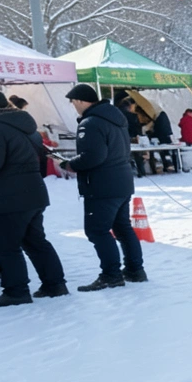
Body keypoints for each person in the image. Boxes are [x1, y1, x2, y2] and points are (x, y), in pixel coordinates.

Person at [58, 84, 146, 291]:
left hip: (101, 184)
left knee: (97, 231)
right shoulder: (115, 118)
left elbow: (94, 156)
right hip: (122, 181)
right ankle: (135, 269)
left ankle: (111, 274)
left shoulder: (90, 123)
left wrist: (69, 164)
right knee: (123, 228)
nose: (73, 107)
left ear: (80, 100)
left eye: (73, 103)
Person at [0, 89, 67, 306]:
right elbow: (46, 156)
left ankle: (16, 291)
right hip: (34, 194)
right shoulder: (28, 128)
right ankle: (55, 285)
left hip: (8, 197)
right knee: (34, 241)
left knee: (4, 246)